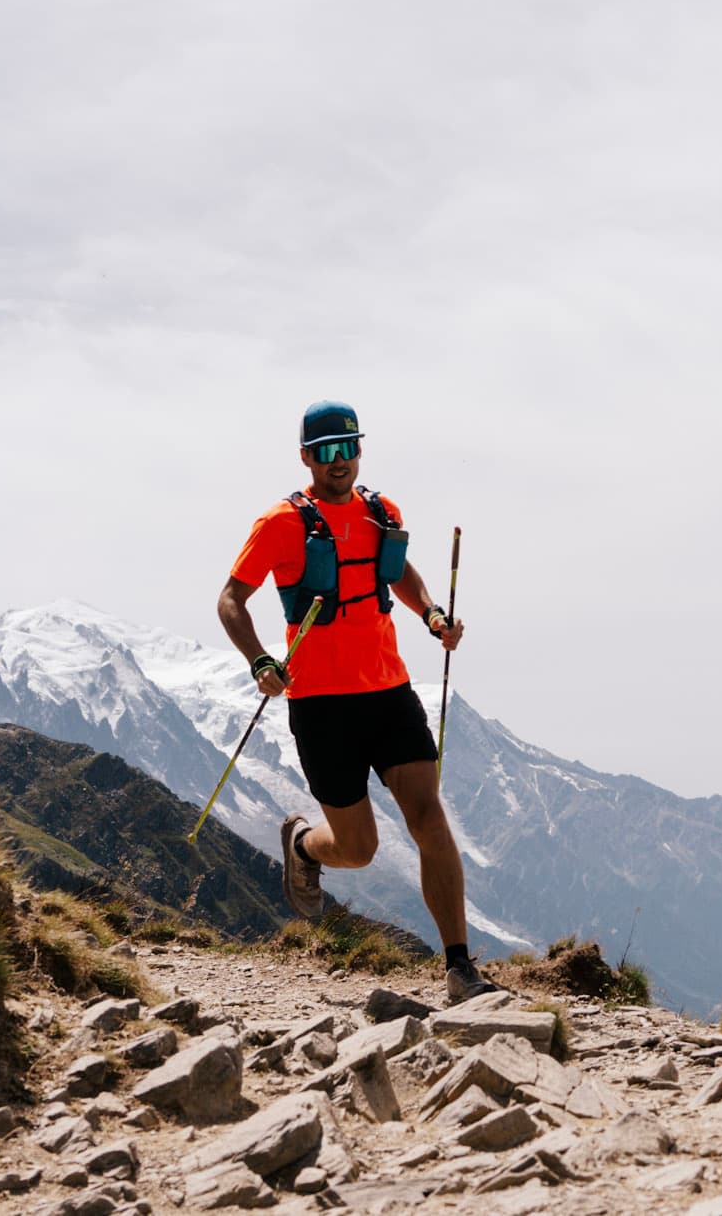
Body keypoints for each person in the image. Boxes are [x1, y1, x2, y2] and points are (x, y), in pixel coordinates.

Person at [217, 400, 497, 1005]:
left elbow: (398, 572)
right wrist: (261, 661)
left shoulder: (381, 511)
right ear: (306, 458)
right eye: (327, 452)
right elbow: (231, 600)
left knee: (429, 817)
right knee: (359, 849)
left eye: (349, 448)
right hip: (320, 704)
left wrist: (432, 614)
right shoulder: (279, 525)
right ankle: (302, 844)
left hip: (389, 691)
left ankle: (458, 968)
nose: (339, 462)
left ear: (360, 450)